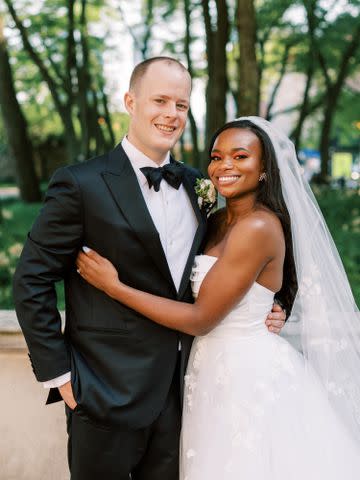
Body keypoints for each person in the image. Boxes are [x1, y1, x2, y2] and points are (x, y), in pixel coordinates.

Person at [12, 59, 285, 480]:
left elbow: (253, 258)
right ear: (130, 101)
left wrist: (275, 303)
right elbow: (31, 280)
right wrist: (60, 375)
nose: (171, 113)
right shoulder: (80, 184)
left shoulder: (203, 187)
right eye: (160, 100)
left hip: (187, 394)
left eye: (181, 103)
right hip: (104, 391)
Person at [76, 117, 360, 479]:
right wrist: (280, 303)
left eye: (240, 156)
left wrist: (114, 287)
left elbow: (201, 318)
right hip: (209, 370)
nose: (224, 165)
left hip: (246, 377)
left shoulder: (257, 227)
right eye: (217, 156)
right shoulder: (216, 219)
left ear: (264, 170)